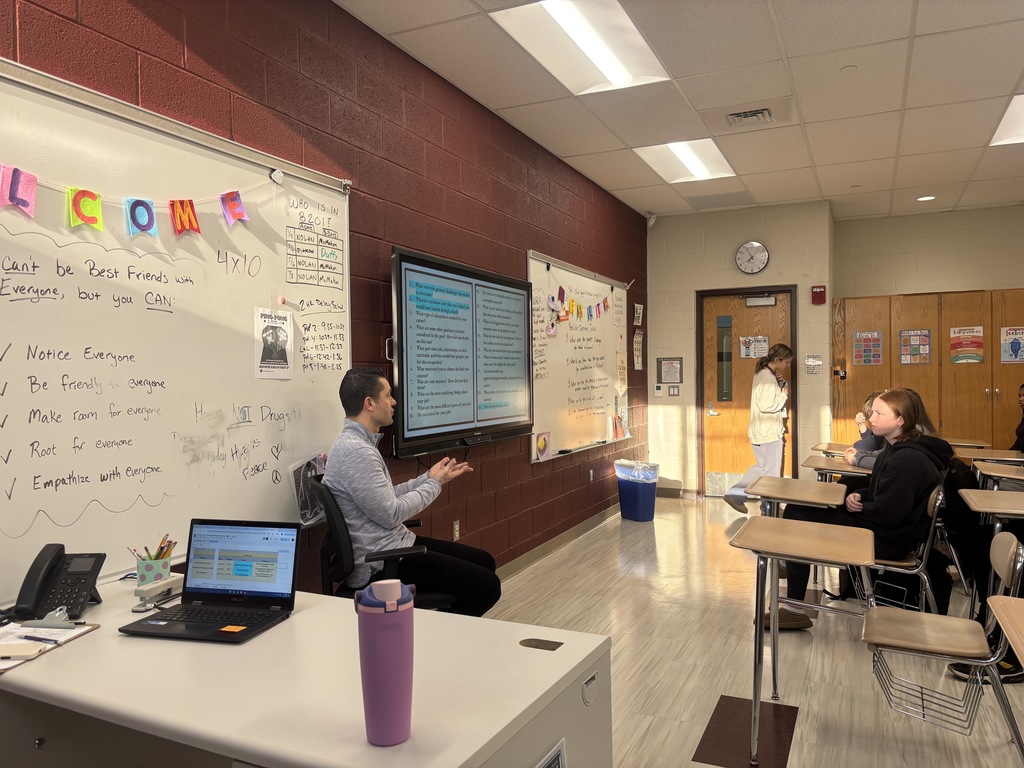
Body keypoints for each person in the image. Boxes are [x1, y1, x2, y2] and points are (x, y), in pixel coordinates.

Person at [323, 367, 501, 617]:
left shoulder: (357, 445)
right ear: (369, 403)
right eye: (388, 395)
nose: (394, 401)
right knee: (488, 587)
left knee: (485, 562)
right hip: (382, 562)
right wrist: (434, 484)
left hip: (392, 546)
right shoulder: (357, 453)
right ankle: (436, 644)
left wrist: (427, 478)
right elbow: (391, 513)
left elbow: (386, 496)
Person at [774, 389, 953, 630]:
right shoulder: (898, 448)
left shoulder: (907, 458)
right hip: (884, 530)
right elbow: (882, 490)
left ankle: (794, 606)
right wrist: (860, 495)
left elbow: (889, 513)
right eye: (873, 412)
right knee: (802, 510)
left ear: (900, 420)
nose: (872, 419)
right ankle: (792, 589)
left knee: (798, 514)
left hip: (886, 540)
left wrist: (860, 507)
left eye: (880, 413)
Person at [723, 343, 793, 514]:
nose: (788, 366)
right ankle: (767, 507)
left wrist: (779, 382)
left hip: (761, 430)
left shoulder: (764, 374)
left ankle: (755, 502)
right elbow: (766, 405)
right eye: (787, 362)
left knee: (763, 469)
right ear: (777, 359)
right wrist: (783, 396)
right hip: (768, 432)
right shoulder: (766, 377)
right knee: (771, 473)